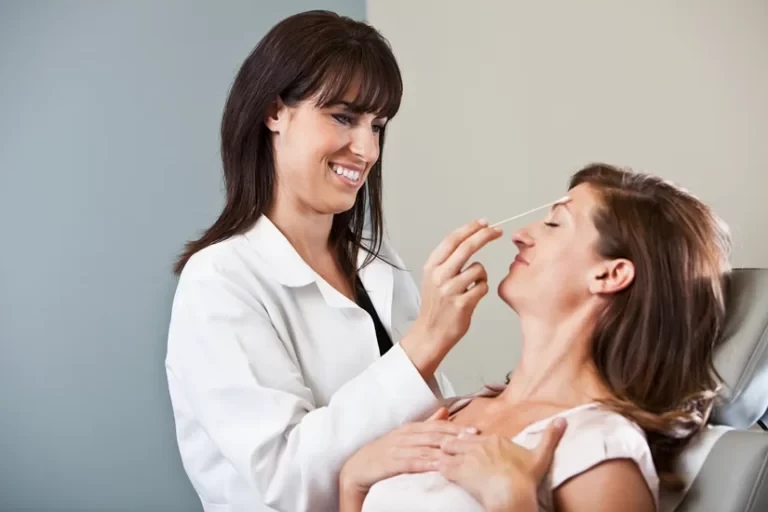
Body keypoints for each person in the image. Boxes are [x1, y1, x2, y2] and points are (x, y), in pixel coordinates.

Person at [164, 10, 507, 512]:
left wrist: (479, 409)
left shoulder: (373, 261)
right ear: (274, 111)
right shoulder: (219, 281)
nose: (366, 149)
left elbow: (412, 433)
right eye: (344, 117)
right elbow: (286, 480)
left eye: (378, 125)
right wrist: (427, 341)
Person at [341, 164, 733, 512]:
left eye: (554, 224)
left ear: (610, 275)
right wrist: (353, 483)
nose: (521, 235)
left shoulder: (599, 450)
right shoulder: (452, 411)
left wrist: (513, 501)